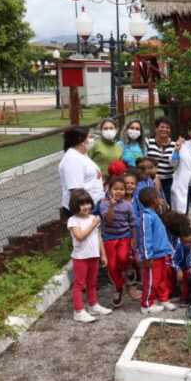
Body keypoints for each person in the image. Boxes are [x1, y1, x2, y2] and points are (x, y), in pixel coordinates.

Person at [66, 189, 111, 323]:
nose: (86, 207)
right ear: (75, 206)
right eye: (82, 204)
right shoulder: (73, 220)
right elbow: (80, 236)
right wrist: (93, 225)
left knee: (92, 282)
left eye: (88, 203)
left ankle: (93, 305)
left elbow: (99, 237)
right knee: (79, 284)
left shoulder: (93, 218)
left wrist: (103, 254)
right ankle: (78, 311)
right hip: (80, 258)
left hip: (94, 256)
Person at [98, 176, 136, 308]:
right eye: (115, 189)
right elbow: (108, 220)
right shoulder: (104, 204)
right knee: (112, 266)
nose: (119, 192)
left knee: (123, 257)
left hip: (124, 237)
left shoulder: (127, 205)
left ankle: (128, 269)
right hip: (109, 238)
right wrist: (112, 206)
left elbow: (133, 223)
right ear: (109, 190)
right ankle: (119, 288)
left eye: (121, 189)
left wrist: (134, 239)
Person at [136, 187, 176, 314]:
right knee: (152, 280)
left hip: (162, 253)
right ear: (153, 200)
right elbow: (145, 238)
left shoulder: (154, 214)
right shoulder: (146, 217)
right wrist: (147, 256)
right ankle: (147, 304)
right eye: (159, 197)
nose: (161, 199)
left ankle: (163, 299)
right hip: (153, 256)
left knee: (162, 279)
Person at [59, 126, 105, 219]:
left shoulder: (81, 155)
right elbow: (76, 190)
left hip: (92, 205)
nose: (92, 140)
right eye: (89, 137)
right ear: (81, 140)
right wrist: (85, 214)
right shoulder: (72, 159)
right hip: (83, 210)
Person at [145, 117, 177, 207]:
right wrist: (154, 176)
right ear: (156, 128)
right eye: (162, 127)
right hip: (150, 179)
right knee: (152, 204)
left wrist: (177, 150)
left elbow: (175, 164)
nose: (164, 129)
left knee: (168, 205)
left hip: (169, 180)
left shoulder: (174, 145)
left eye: (167, 128)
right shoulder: (148, 142)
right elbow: (145, 161)